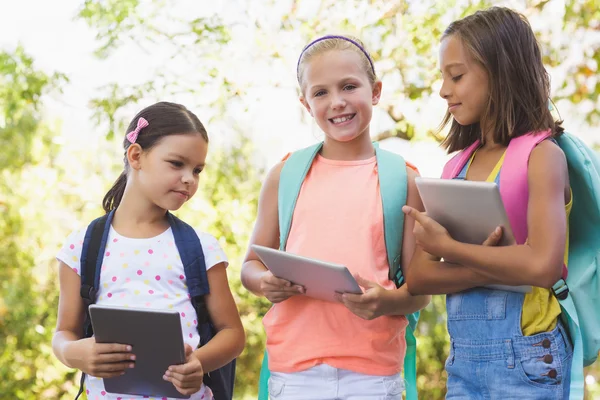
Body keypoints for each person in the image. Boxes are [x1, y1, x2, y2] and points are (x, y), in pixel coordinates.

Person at [241, 35, 430, 400]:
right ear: (305, 104)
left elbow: (419, 292)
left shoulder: (404, 179)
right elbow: (250, 265)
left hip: (373, 373)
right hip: (295, 370)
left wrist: (386, 302)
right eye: (321, 93)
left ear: (375, 91)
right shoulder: (284, 175)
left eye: (348, 86)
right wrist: (265, 283)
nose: (337, 102)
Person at [402, 7, 573, 399]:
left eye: (457, 76)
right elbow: (420, 277)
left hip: (529, 361)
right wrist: (492, 266)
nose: (444, 89)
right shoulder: (455, 168)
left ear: (501, 72)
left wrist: (452, 251)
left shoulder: (542, 157)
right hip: (463, 364)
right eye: (443, 77)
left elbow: (543, 266)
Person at [52, 102, 245, 400]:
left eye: (197, 170)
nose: (189, 179)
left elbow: (232, 334)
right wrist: (76, 352)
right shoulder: (81, 247)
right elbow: (63, 333)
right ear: (136, 155)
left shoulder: (201, 248)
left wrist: (199, 363)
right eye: (176, 164)